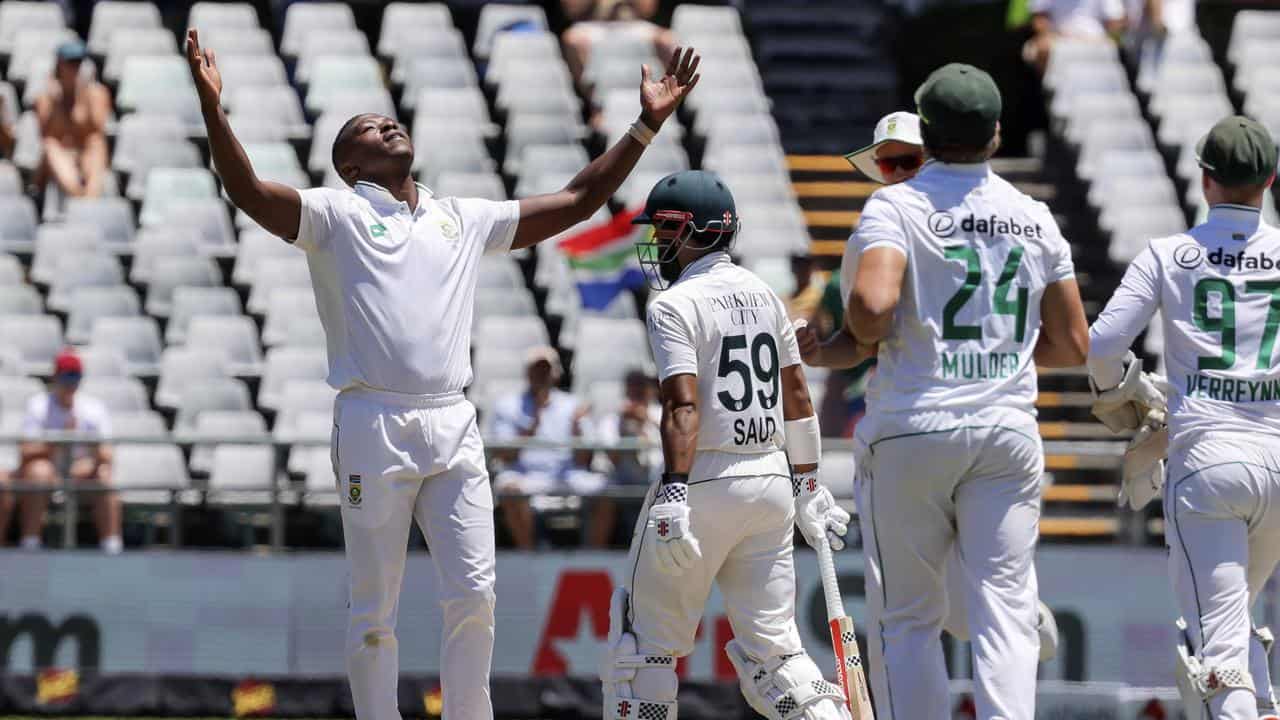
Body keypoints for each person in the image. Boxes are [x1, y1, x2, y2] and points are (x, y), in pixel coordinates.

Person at [184, 26, 700, 720]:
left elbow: (577, 201)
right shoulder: (334, 214)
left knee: (476, 594)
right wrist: (213, 109)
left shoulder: (461, 217)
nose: (387, 122)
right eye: (368, 128)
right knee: (375, 607)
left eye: (389, 119)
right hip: (374, 422)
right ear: (350, 165)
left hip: (453, 422)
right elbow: (246, 190)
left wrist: (644, 126)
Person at [832, 64, 1090, 720]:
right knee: (1005, 611)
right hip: (1006, 429)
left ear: (928, 132)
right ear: (996, 133)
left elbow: (870, 305)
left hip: (914, 424)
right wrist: (998, 356)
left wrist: (870, 333)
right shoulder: (1033, 216)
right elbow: (1072, 344)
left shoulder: (898, 204)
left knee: (910, 619)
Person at [802, 108, 1060, 666]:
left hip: (935, 421)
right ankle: (1023, 617)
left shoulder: (934, 224)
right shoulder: (876, 234)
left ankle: (1020, 616)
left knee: (923, 615)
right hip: (945, 421)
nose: (898, 174)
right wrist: (822, 353)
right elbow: (861, 339)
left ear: (939, 156)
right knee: (953, 613)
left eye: (909, 161)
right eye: (889, 165)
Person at [600, 170, 852, 720]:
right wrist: (808, 485)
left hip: (704, 482)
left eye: (663, 230)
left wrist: (672, 490)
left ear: (690, 230)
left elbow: (682, 406)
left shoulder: (674, 304)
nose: (656, 242)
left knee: (643, 656)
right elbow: (798, 396)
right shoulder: (765, 292)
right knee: (777, 657)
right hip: (771, 483)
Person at [1088, 115, 1280, 720]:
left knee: (1218, 651)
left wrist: (1115, 389)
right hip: (1279, 460)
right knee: (1237, 627)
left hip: (1207, 463)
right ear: (1271, 179)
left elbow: (1103, 344)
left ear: (1205, 180)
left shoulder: (1169, 254)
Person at [487, 346, 605, 549]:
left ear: (556, 373)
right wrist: (535, 419)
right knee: (508, 489)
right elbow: (505, 455)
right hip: (524, 473)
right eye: (536, 370)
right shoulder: (507, 405)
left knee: (607, 492)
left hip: (566, 474)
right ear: (527, 373)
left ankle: (591, 556)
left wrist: (577, 428)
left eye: (546, 370)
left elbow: (583, 460)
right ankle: (529, 556)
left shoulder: (573, 405)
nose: (541, 375)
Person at [17, 349, 121, 553]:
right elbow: (26, 452)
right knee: (39, 472)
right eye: (66, 376)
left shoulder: (93, 408)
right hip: (49, 473)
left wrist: (89, 454)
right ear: (55, 376)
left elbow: (108, 455)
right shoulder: (37, 406)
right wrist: (59, 439)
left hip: (83, 474)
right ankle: (30, 544)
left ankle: (112, 547)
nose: (70, 383)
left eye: (75, 376)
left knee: (104, 475)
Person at [34, 40, 110, 198]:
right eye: (70, 63)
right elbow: (44, 134)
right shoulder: (46, 97)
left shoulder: (96, 93)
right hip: (59, 156)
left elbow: (99, 128)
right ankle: (78, 195)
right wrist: (56, 104)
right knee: (50, 146)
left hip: (86, 153)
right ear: (59, 65)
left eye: (78, 63)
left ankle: (90, 197)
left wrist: (84, 98)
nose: (74, 68)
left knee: (97, 142)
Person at [594, 367, 662, 546]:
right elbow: (612, 458)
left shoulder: (662, 415)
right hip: (622, 484)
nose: (639, 389)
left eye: (643, 384)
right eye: (634, 384)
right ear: (626, 389)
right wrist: (624, 430)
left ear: (652, 388)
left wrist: (646, 420)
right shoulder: (612, 420)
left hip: (657, 483)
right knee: (604, 497)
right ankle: (593, 556)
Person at [1024, 0, 1125, 74]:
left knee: (1113, 46)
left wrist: (1108, 37)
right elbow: (1039, 17)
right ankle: (1049, 92)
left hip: (1095, 39)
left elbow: (1115, 21)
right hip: (1058, 39)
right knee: (1042, 48)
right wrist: (1048, 35)